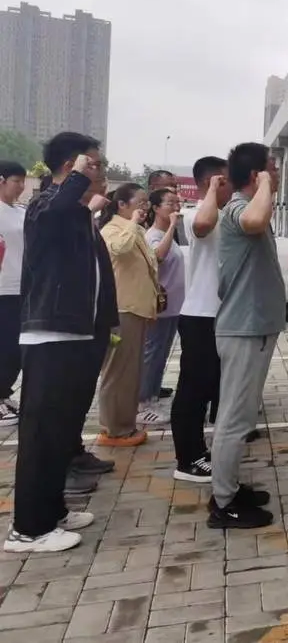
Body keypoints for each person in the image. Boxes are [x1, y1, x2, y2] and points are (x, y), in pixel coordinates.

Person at [8, 133, 118, 553]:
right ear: (73, 166)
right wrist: (77, 181)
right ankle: (28, 529)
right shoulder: (45, 205)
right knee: (41, 434)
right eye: (95, 164)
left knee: (61, 431)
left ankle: (52, 510)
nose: (102, 171)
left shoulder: (76, 214)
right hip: (51, 334)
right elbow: (54, 209)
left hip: (79, 334)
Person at [210, 143, 284, 528]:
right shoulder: (239, 207)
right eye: (273, 167)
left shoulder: (247, 206)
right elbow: (254, 221)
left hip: (253, 328)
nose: (278, 173)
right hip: (243, 328)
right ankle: (224, 503)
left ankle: (230, 488)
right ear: (257, 175)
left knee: (242, 415)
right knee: (235, 419)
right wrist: (266, 184)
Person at [171, 156, 230, 484]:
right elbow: (203, 226)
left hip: (217, 316)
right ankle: (187, 459)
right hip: (199, 316)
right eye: (226, 181)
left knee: (208, 387)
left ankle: (198, 451)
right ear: (213, 182)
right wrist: (211, 191)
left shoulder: (223, 214)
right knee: (193, 391)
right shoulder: (197, 213)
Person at [97, 183, 159, 446]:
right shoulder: (111, 229)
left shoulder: (138, 230)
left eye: (146, 203)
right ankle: (113, 428)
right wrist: (133, 223)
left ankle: (125, 424)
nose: (144, 208)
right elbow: (120, 249)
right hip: (122, 309)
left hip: (137, 308)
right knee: (117, 372)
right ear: (121, 205)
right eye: (140, 202)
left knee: (131, 372)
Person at [139, 187, 185, 424]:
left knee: (160, 355)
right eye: (170, 203)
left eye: (177, 203)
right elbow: (158, 256)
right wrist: (173, 226)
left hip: (172, 307)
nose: (176, 207)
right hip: (159, 307)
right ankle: (142, 403)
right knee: (152, 354)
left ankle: (152, 397)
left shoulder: (168, 234)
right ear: (156, 208)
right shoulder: (153, 235)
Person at [0, 161, 27, 426]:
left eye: (22, 181)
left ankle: (3, 393)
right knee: (5, 346)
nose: (21, 186)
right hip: (3, 289)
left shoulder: (20, 211)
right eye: (16, 181)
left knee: (17, 347)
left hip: (23, 287)